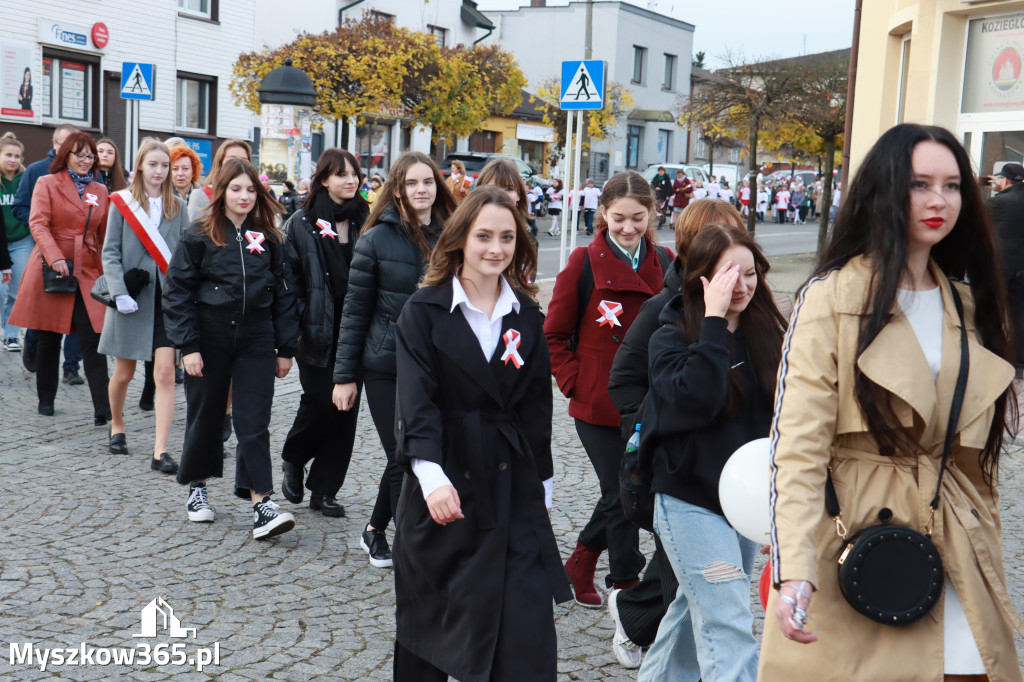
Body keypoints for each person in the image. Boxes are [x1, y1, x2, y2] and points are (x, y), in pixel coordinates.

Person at [761, 124, 1024, 682]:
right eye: (920, 184)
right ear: (883, 191)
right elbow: (798, 445)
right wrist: (795, 569)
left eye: (953, 186)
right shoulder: (832, 297)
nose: (939, 200)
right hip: (861, 539)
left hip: (952, 533)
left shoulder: (967, 302)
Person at [390, 186, 572, 681]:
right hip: (444, 486)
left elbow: (537, 409)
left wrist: (544, 486)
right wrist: (431, 478)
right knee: (433, 629)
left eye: (508, 238)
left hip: (511, 488)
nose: (497, 248)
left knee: (526, 631)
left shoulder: (527, 317)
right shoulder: (423, 313)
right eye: (485, 236)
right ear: (460, 239)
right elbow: (416, 404)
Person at [638, 222, 785, 681]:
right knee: (728, 620)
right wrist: (716, 322)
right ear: (700, 278)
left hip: (742, 502)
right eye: (727, 276)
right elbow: (697, 400)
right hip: (688, 499)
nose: (741, 286)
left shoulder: (769, 334)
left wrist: (772, 511)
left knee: (689, 612)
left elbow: (782, 422)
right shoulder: (670, 335)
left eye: (750, 274)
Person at [606, 198, 746, 669]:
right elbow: (625, 380)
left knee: (693, 597)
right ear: (692, 251)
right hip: (680, 473)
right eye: (714, 241)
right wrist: (650, 431)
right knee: (716, 606)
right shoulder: (665, 312)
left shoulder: (757, 316)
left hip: (732, 482)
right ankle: (632, 616)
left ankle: (637, 626)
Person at [545, 171, 673, 607]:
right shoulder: (583, 261)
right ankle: (625, 583)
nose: (629, 228)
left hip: (647, 403)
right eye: (619, 218)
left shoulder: (667, 262)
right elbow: (553, 335)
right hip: (597, 405)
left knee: (628, 489)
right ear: (603, 213)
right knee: (621, 489)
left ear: (653, 213)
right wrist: (574, 382)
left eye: (639, 218)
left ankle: (582, 558)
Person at [163, 157, 299, 540]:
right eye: (236, 188)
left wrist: (285, 347)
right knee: (206, 416)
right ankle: (197, 488)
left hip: (257, 339)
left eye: (251, 189)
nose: (244, 196)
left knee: (254, 421)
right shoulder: (198, 235)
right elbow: (177, 293)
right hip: (210, 337)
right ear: (221, 191)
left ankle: (262, 505)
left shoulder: (270, 237)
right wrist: (188, 346)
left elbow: (285, 296)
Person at [332, 151, 456, 568]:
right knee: (404, 454)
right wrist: (344, 377)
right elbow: (354, 312)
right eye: (412, 183)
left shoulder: (453, 234)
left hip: (437, 364)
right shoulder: (375, 240)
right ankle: (414, 551)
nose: (422, 190)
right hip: (385, 364)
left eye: (428, 182)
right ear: (397, 189)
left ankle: (373, 528)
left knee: (417, 451)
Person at [280, 149, 369, 518]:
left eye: (354, 174)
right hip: (316, 329)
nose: (350, 181)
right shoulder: (301, 222)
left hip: (357, 329)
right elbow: (289, 280)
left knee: (345, 411)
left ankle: (325, 488)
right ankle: (294, 456)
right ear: (324, 179)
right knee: (319, 399)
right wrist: (301, 319)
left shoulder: (369, 220)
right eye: (341, 174)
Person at [8, 131, 111, 422]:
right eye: (79, 154)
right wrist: (54, 256)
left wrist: (108, 273)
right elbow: (37, 223)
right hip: (51, 264)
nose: (85, 160)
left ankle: (103, 409)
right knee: (49, 335)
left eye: (90, 156)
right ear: (65, 154)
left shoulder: (100, 190)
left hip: (88, 267)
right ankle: (46, 398)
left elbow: (103, 237)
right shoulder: (47, 182)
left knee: (94, 337)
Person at [99, 138, 187, 474]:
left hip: (165, 301)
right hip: (131, 297)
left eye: (164, 166)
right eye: (153, 164)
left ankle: (160, 450)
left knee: (164, 374)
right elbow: (110, 252)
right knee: (124, 372)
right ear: (139, 166)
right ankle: (117, 424)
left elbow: (181, 257)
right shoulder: (121, 203)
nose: (160, 171)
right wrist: (119, 291)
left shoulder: (178, 207)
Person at [13, 124, 84, 381]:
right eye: (64, 144)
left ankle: (71, 367)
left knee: (77, 311)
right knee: (46, 312)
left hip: (79, 254)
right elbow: (21, 208)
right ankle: (32, 341)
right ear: (54, 144)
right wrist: (43, 235)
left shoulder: (88, 175)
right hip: (45, 252)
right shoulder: (36, 171)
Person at [987, 162, 1024, 374]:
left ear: (1005, 179)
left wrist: (998, 194)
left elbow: (979, 221)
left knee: (991, 309)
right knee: (1019, 313)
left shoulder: (999, 202)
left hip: (1002, 266)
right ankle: (1019, 363)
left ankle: (990, 354)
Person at [1, 133, 27, 351]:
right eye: (8, 155)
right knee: (0, 291)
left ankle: (11, 335)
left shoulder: (24, 180)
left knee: (17, 291)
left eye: (17, 156)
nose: (13, 159)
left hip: (21, 241)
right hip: (0, 242)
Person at [187, 139, 252, 222]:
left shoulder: (252, 197)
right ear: (220, 163)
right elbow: (193, 232)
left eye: (244, 160)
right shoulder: (201, 196)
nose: (237, 164)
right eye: (231, 159)